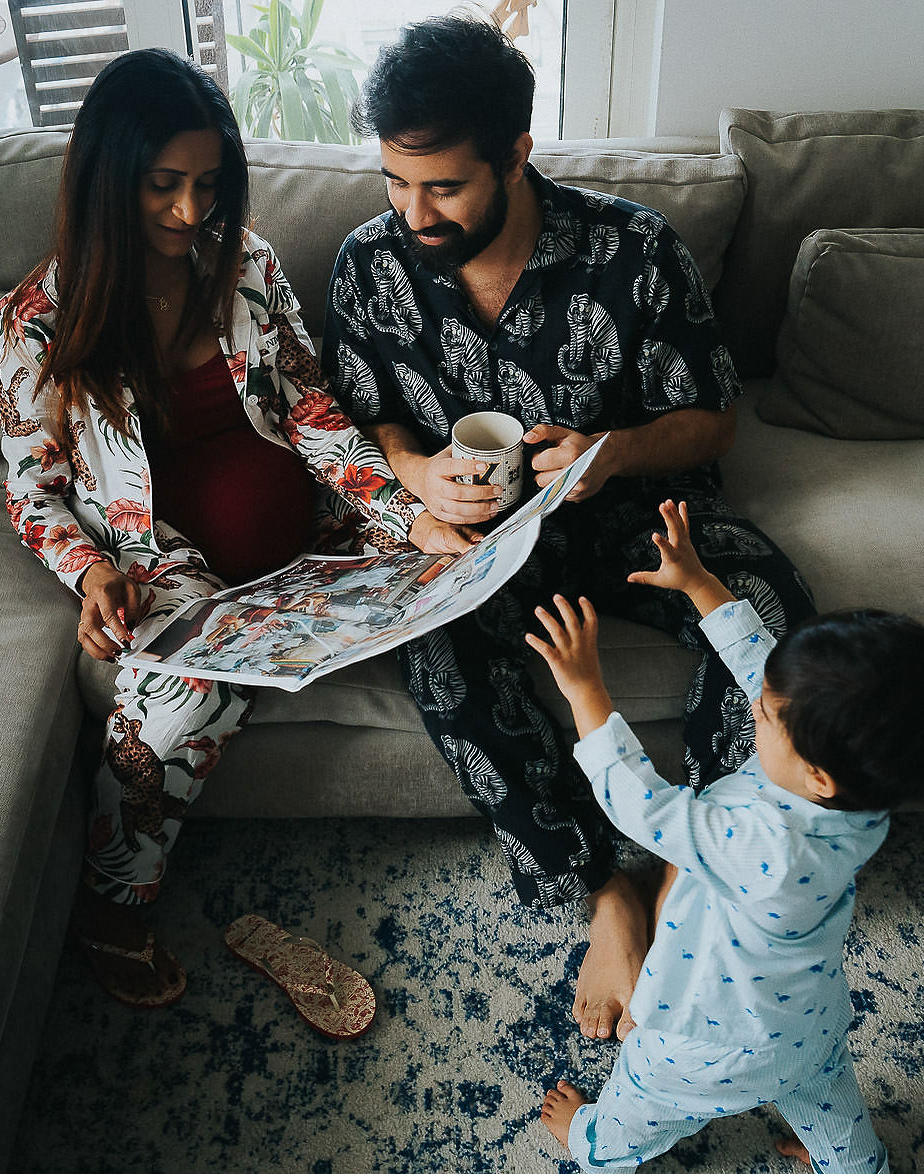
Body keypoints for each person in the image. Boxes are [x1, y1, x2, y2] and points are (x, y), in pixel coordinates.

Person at [320, 14, 816, 1039]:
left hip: (637, 515)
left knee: (769, 610)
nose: (414, 212)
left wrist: (614, 452)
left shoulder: (635, 250)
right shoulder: (370, 264)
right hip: (487, 541)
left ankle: (688, 872)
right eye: (395, 184)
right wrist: (417, 474)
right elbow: (367, 415)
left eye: (444, 186)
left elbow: (715, 415)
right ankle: (603, 892)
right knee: (427, 644)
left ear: (515, 154)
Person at [0, 48, 471, 1009]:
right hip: (180, 565)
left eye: (209, 184)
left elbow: (311, 408)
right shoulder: (34, 326)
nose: (188, 210)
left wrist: (404, 514)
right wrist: (90, 575)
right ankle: (113, 901)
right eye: (163, 186)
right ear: (106, 180)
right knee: (175, 703)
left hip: (320, 534)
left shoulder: (243, 264)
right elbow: (30, 493)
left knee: (471, 574)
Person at [528, 499, 924, 1170]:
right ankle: (857, 1166)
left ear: (818, 772)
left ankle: (596, 1145)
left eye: (767, 718)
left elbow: (644, 806)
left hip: (703, 1047)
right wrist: (700, 584)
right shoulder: (861, 801)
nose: (752, 707)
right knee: (829, 1105)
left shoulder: (764, 849)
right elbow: (762, 668)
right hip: (807, 1026)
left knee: (637, 1099)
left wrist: (585, 689)